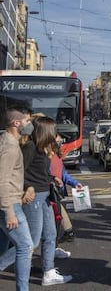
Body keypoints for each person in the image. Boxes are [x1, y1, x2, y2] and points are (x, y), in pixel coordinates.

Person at [21, 116, 72, 285]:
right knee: (31, 242)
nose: (55, 132)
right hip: (34, 197)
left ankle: (48, 272)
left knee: (50, 234)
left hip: (45, 193)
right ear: (46, 131)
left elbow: (38, 172)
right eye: (53, 129)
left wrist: (52, 178)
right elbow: (19, 172)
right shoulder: (30, 148)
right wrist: (28, 186)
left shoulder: (42, 149)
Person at [0, 106, 34, 291]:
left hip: (11, 200)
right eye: (27, 121)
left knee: (3, 247)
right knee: (26, 247)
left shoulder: (6, 141)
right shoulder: (10, 148)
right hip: (9, 205)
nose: (30, 125)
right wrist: (9, 212)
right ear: (16, 123)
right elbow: (2, 181)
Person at [50, 134, 83, 246]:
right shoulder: (46, 156)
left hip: (54, 192)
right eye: (57, 141)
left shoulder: (56, 156)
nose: (60, 143)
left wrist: (75, 183)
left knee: (55, 219)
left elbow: (64, 174)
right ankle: (67, 233)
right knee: (55, 217)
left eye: (60, 141)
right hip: (50, 192)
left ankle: (55, 246)